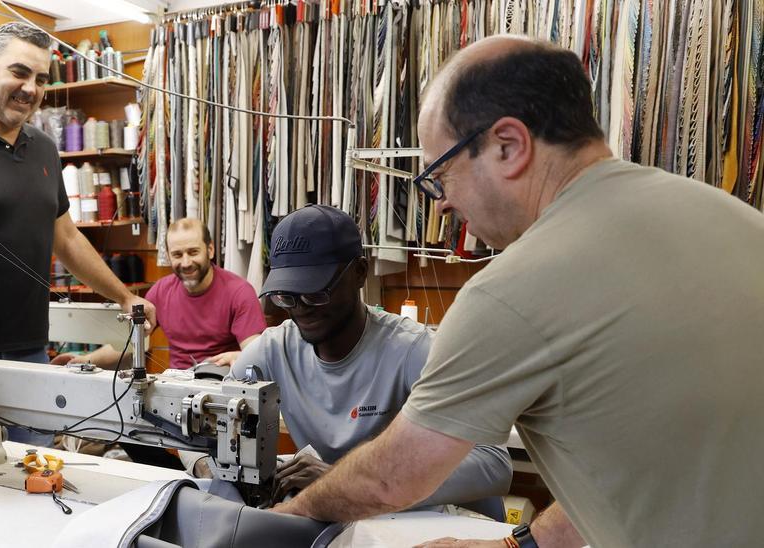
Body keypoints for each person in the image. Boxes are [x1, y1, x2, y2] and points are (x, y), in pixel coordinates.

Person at [272, 36, 764, 548]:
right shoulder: (733, 218)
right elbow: (650, 464)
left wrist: (292, 512)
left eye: (441, 176)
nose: (440, 206)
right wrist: (518, 545)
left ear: (508, 146)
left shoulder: (515, 289)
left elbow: (389, 480)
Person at [0, 22, 154, 445]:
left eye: (40, 79)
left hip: (30, 353)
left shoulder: (43, 149)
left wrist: (123, 296)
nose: (30, 88)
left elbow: (67, 238)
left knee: (33, 479)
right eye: (18, 72)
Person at [231, 205, 510, 511]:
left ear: (360, 273)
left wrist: (345, 482)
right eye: (287, 296)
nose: (301, 309)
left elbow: (494, 464)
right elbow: (204, 426)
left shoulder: (414, 350)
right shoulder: (274, 350)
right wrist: (209, 466)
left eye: (315, 292)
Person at [54, 218, 267, 370]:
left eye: (193, 252)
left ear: (210, 250)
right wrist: (85, 361)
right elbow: (130, 344)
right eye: (177, 254)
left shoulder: (239, 292)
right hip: (176, 389)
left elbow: (256, 354)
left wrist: (241, 357)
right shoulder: (162, 291)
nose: (185, 262)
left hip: (222, 390)